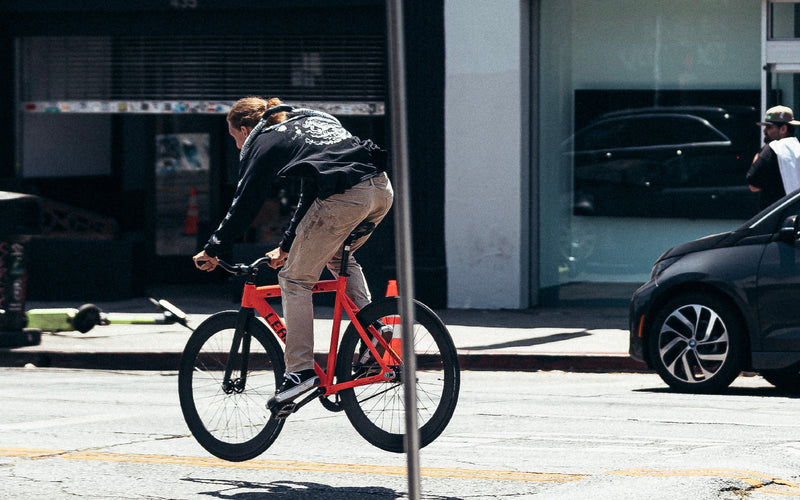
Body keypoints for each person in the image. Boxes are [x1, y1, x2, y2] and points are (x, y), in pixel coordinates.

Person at [193, 96, 393, 407]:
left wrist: (214, 247)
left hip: (347, 198)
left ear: (245, 130)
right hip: (381, 190)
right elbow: (311, 194)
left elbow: (246, 201)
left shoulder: (265, 141)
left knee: (295, 280)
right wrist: (287, 246)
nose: (236, 144)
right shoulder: (307, 122)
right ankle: (374, 333)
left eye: (233, 137)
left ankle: (299, 372)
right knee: (337, 254)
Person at [746, 105, 800, 209]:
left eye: (769, 127)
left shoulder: (772, 149)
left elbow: (753, 186)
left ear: (783, 129)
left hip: (776, 217)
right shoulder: (797, 147)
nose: (765, 131)